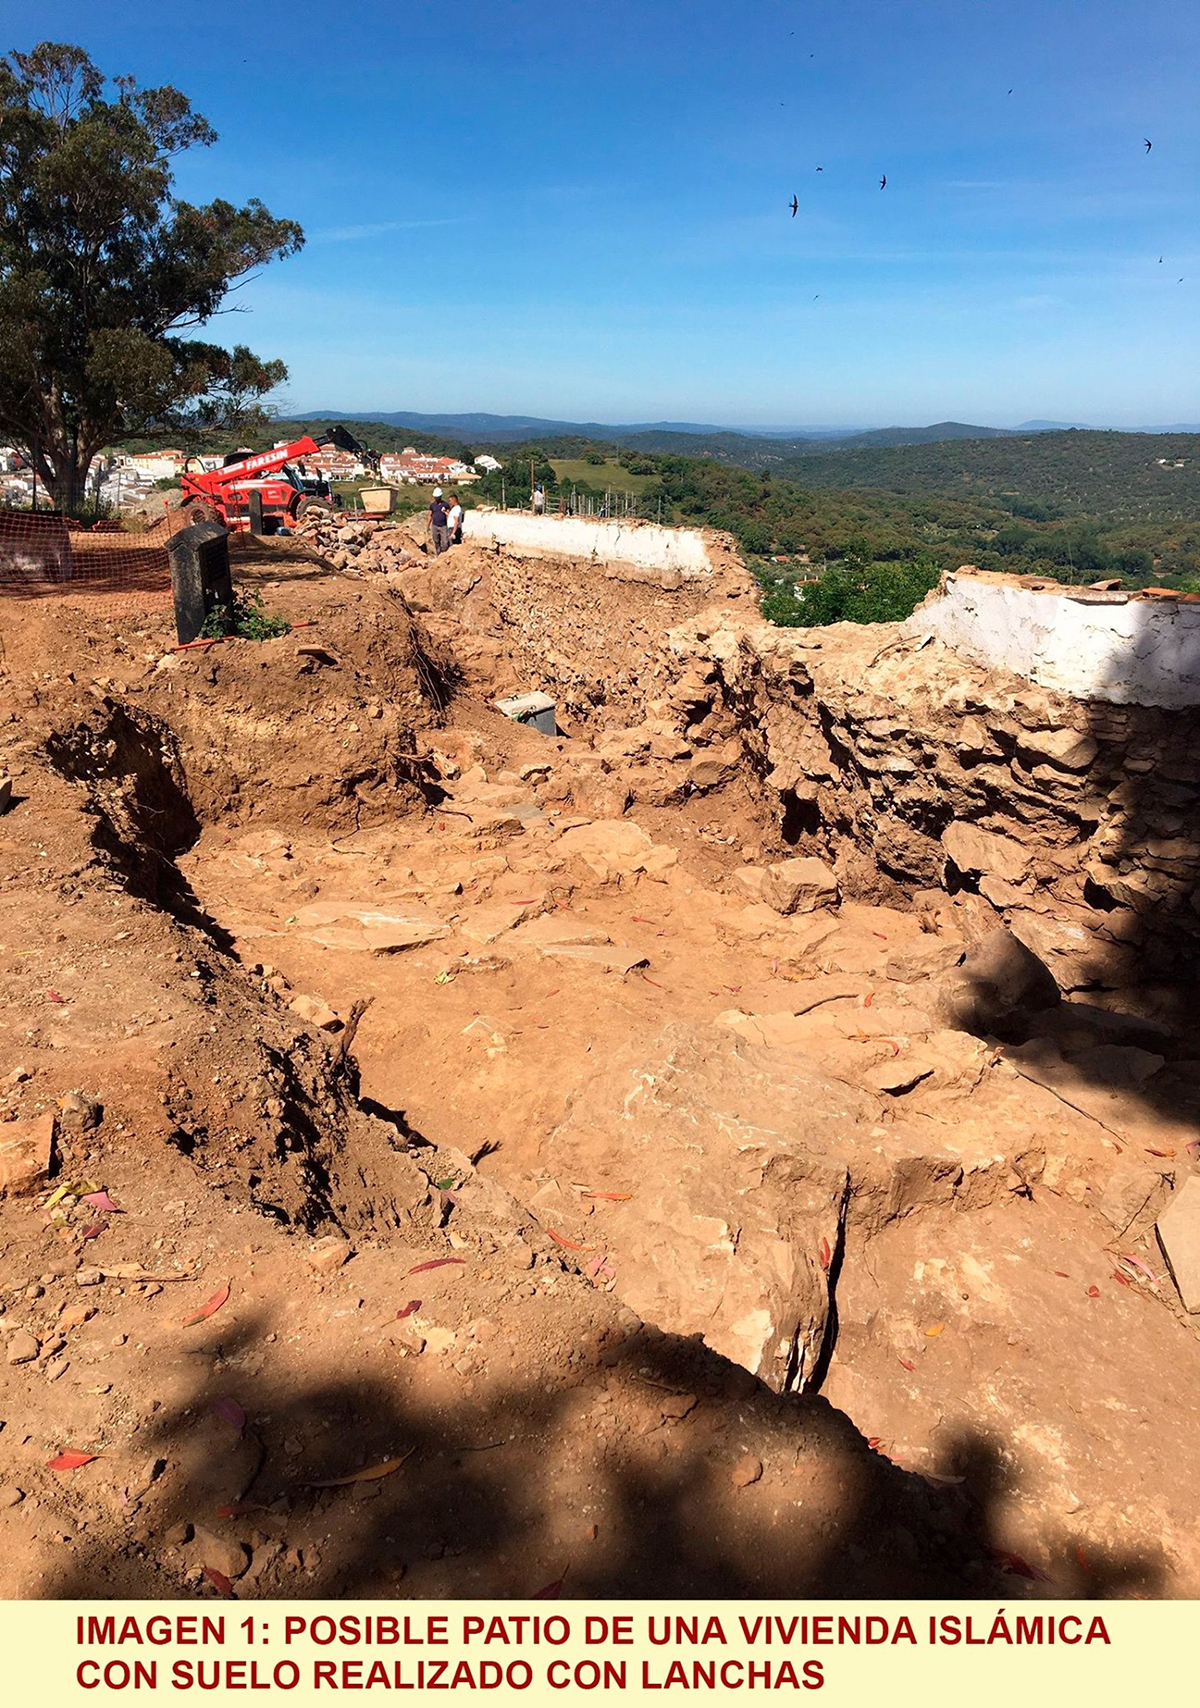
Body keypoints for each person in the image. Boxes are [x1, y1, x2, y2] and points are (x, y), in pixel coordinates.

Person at [429, 487, 450, 555]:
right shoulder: (432, 505)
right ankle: (438, 553)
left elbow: (448, 515)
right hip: (435, 525)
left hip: (443, 526)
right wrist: (428, 525)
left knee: (445, 542)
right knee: (436, 540)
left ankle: (444, 554)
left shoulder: (445, 505)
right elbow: (430, 515)